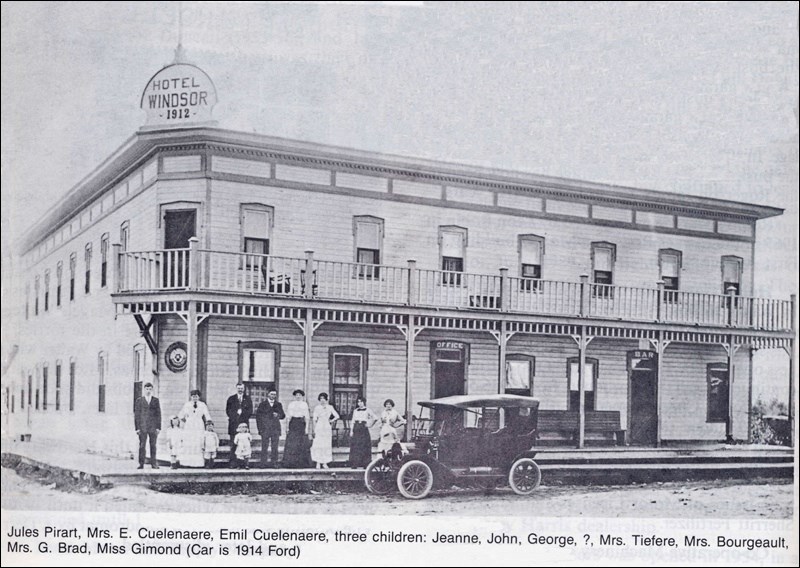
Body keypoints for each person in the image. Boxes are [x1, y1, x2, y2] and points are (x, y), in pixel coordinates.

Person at [178, 389, 211, 468]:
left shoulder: (202, 405)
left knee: (198, 441)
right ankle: (187, 462)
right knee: (189, 442)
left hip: (199, 424)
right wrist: (187, 420)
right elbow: (181, 415)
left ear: (199, 397)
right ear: (191, 397)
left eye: (196, 396)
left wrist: (209, 422)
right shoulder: (187, 404)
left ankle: (198, 463)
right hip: (189, 425)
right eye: (193, 396)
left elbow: (207, 415)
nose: (194, 398)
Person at [134, 382, 162, 469]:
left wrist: (158, 427)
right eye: (147, 389)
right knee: (142, 445)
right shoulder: (139, 400)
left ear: (152, 390)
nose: (148, 391)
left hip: (153, 427)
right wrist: (137, 428)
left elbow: (159, 414)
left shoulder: (155, 400)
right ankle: (141, 463)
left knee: (153, 445)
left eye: (150, 389)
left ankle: (153, 463)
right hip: (143, 427)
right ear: (144, 390)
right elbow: (137, 415)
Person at [225, 383, 253, 466]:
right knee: (234, 444)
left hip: (244, 425)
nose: (240, 390)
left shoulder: (247, 399)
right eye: (239, 388)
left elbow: (250, 411)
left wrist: (242, 414)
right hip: (234, 425)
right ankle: (233, 463)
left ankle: (244, 464)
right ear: (236, 388)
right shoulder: (231, 399)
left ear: (244, 389)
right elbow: (228, 411)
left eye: (242, 388)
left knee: (245, 445)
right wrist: (236, 414)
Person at [255, 389, 285, 468]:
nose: (273, 396)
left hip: (275, 429)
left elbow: (283, 415)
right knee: (264, 446)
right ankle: (263, 463)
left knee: (275, 447)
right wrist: (260, 429)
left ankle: (274, 463)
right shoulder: (263, 404)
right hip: (265, 429)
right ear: (268, 394)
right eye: (271, 394)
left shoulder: (278, 404)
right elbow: (258, 417)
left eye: (274, 394)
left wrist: (278, 415)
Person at [311, 392, 340, 469]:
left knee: (326, 444)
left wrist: (331, 420)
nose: (322, 400)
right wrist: (314, 429)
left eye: (323, 399)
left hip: (326, 427)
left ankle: (324, 462)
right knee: (318, 444)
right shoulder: (317, 408)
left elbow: (337, 416)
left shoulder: (330, 407)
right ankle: (318, 462)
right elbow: (314, 419)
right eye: (320, 399)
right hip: (319, 426)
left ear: (327, 399)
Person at [283, 389, 311, 468]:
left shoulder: (304, 404)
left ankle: (301, 463)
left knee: (301, 443)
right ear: (294, 396)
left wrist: (306, 429)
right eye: (296, 395)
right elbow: (288, 417)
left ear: (302, 396)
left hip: (301, 423)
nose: (298, 396)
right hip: (293, 423)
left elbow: (307, 417)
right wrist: (287, 427)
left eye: (300, 395)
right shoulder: (291, 404)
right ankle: (290, 462)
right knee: (292, 443)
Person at [349, 396, 378, 468]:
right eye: (358, 402)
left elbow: (375, 418)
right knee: (356, 446)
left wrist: (370, 425)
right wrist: (351, 430)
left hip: (363, 428)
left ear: (364, 402)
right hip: (356, 428)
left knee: (364, 446)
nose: (359, 403)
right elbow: (352, 421)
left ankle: (365, 464)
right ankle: (355, 463)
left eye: (361, 402)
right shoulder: (355, 410)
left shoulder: (368, 410)